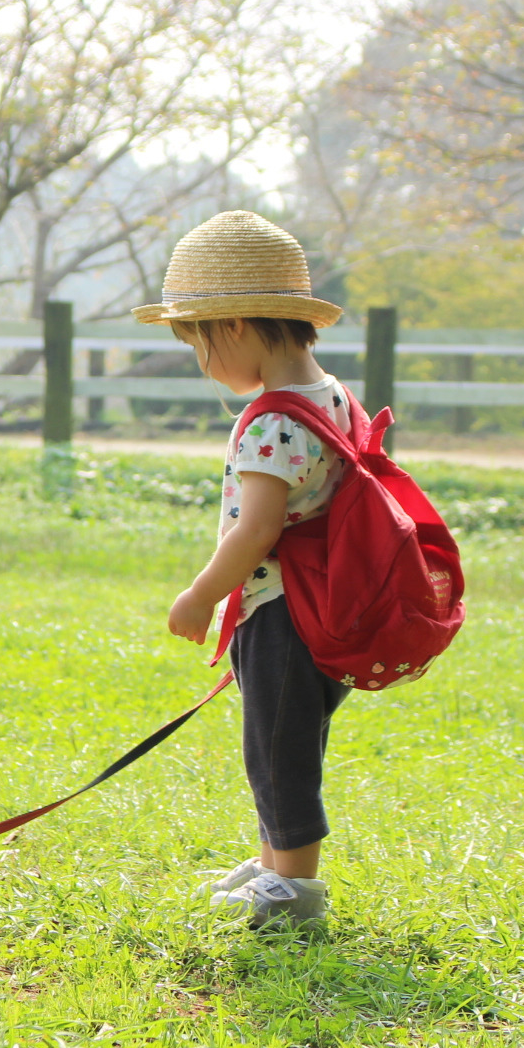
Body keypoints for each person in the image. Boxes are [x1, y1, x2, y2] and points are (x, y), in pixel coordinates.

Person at [132, 210, 352, 931]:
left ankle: (295, 892)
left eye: (198, 345)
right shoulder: (335, 397)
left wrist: (202, 594)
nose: (202, 364)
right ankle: (274, 868)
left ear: (232, 327)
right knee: (281, 742)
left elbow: (256, 528)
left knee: (280, 752)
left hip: (285, 613)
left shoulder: (274, 421)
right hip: (325, 605)